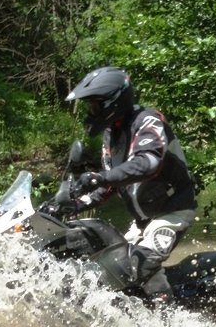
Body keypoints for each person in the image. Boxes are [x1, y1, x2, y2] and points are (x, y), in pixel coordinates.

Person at [53, 66, 197, 301]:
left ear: (113, 102)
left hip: (172, 213)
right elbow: (111, 183)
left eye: (95, 105)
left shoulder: (148, 121)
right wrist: (74, 203)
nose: (91, 112)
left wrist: (99, 176)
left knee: (138, 266)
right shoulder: (113, 135)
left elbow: (148, 163)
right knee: (108, 269)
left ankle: (173, 323)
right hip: (143, 220)